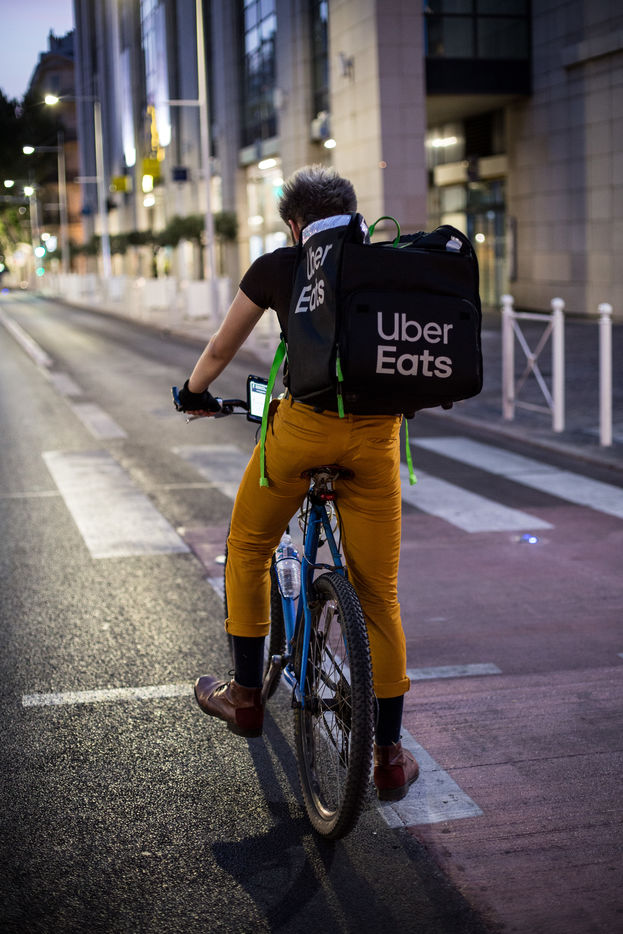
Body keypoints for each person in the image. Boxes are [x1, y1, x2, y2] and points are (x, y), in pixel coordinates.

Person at [175, 165, 419, 801]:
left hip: (303, 431)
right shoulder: (384, 261)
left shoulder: (278, 267)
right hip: (376, 439)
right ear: (353, 212)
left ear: (294, 224)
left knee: (249, 545)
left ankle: (244, 696)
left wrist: (194, 392)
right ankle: (390, 756)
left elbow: (222, 349)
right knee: (378, 594)